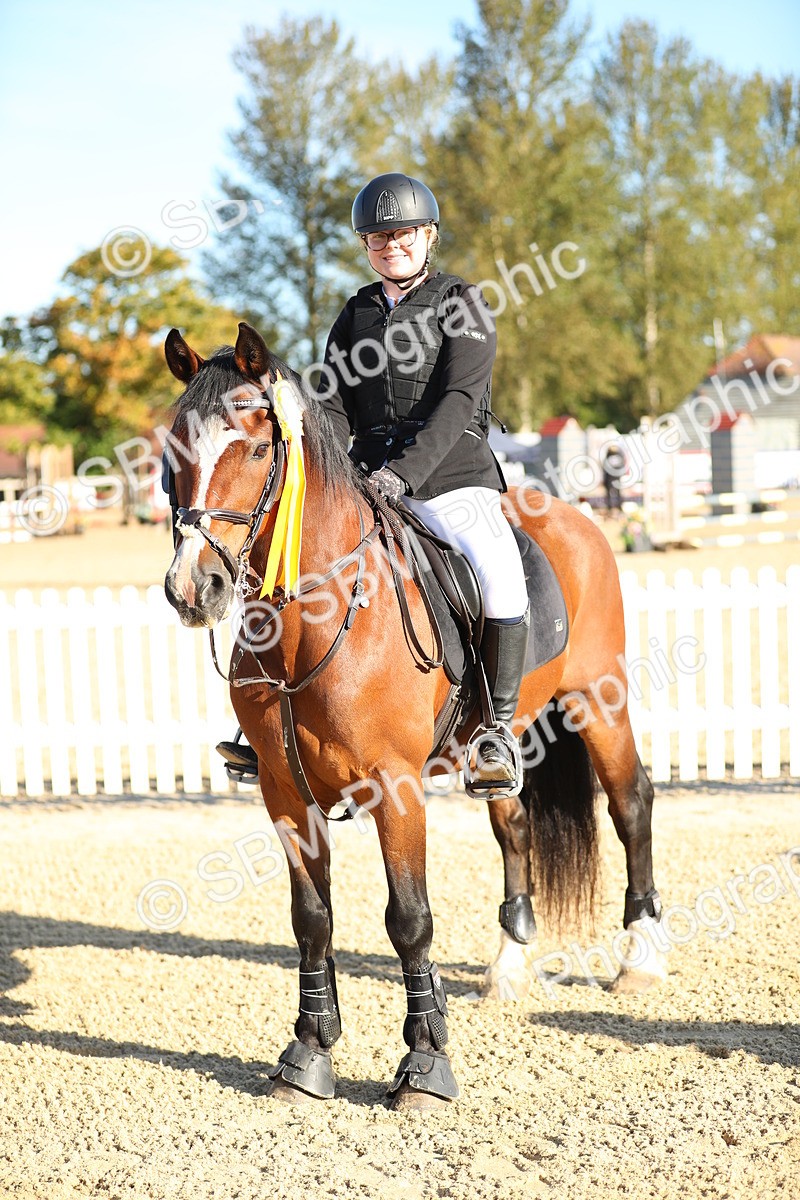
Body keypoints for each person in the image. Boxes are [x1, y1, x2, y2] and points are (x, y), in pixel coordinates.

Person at [318, 172, 530, 791]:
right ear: (366, 246)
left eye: (403, 233)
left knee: (497, 571)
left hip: (451, 475)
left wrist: (402, 475)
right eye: (378, 237)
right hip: (367, 477)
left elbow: (460, 401)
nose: (391, 245)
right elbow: (332, 400)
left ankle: (497, 728)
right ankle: (278, 722)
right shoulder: (355, 312)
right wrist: (340, 470)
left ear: (428, 236)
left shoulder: (461, 303)